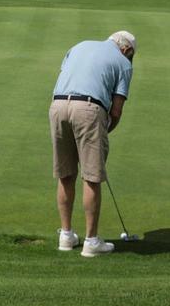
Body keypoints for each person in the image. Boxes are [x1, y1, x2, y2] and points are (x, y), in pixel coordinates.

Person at [49, 30, 135, 257]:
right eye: (131, 55)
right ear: (126, 49)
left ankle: (65, 237)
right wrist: (104, 131)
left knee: (66, 174)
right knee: (92, 176)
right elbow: (116, 110)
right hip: (88, 108)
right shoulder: (124, 63)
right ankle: (91, 242)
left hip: (57, 106)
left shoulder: (78, 46)